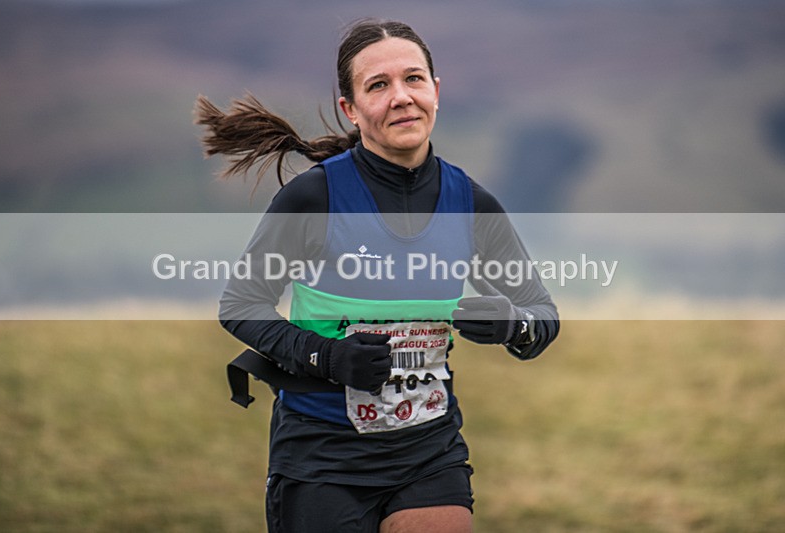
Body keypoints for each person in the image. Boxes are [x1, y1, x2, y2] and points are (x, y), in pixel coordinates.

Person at [195, 18, 559, 533]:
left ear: (436, 90)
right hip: (322, 455)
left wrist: (513, 323)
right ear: (351, 107)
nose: (402, 97)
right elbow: (241, 305)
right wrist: (327, 356)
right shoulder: (314, 199)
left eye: (413, 79)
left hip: (428, 448)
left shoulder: (472, 204)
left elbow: (541, 315)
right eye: (378, 85)